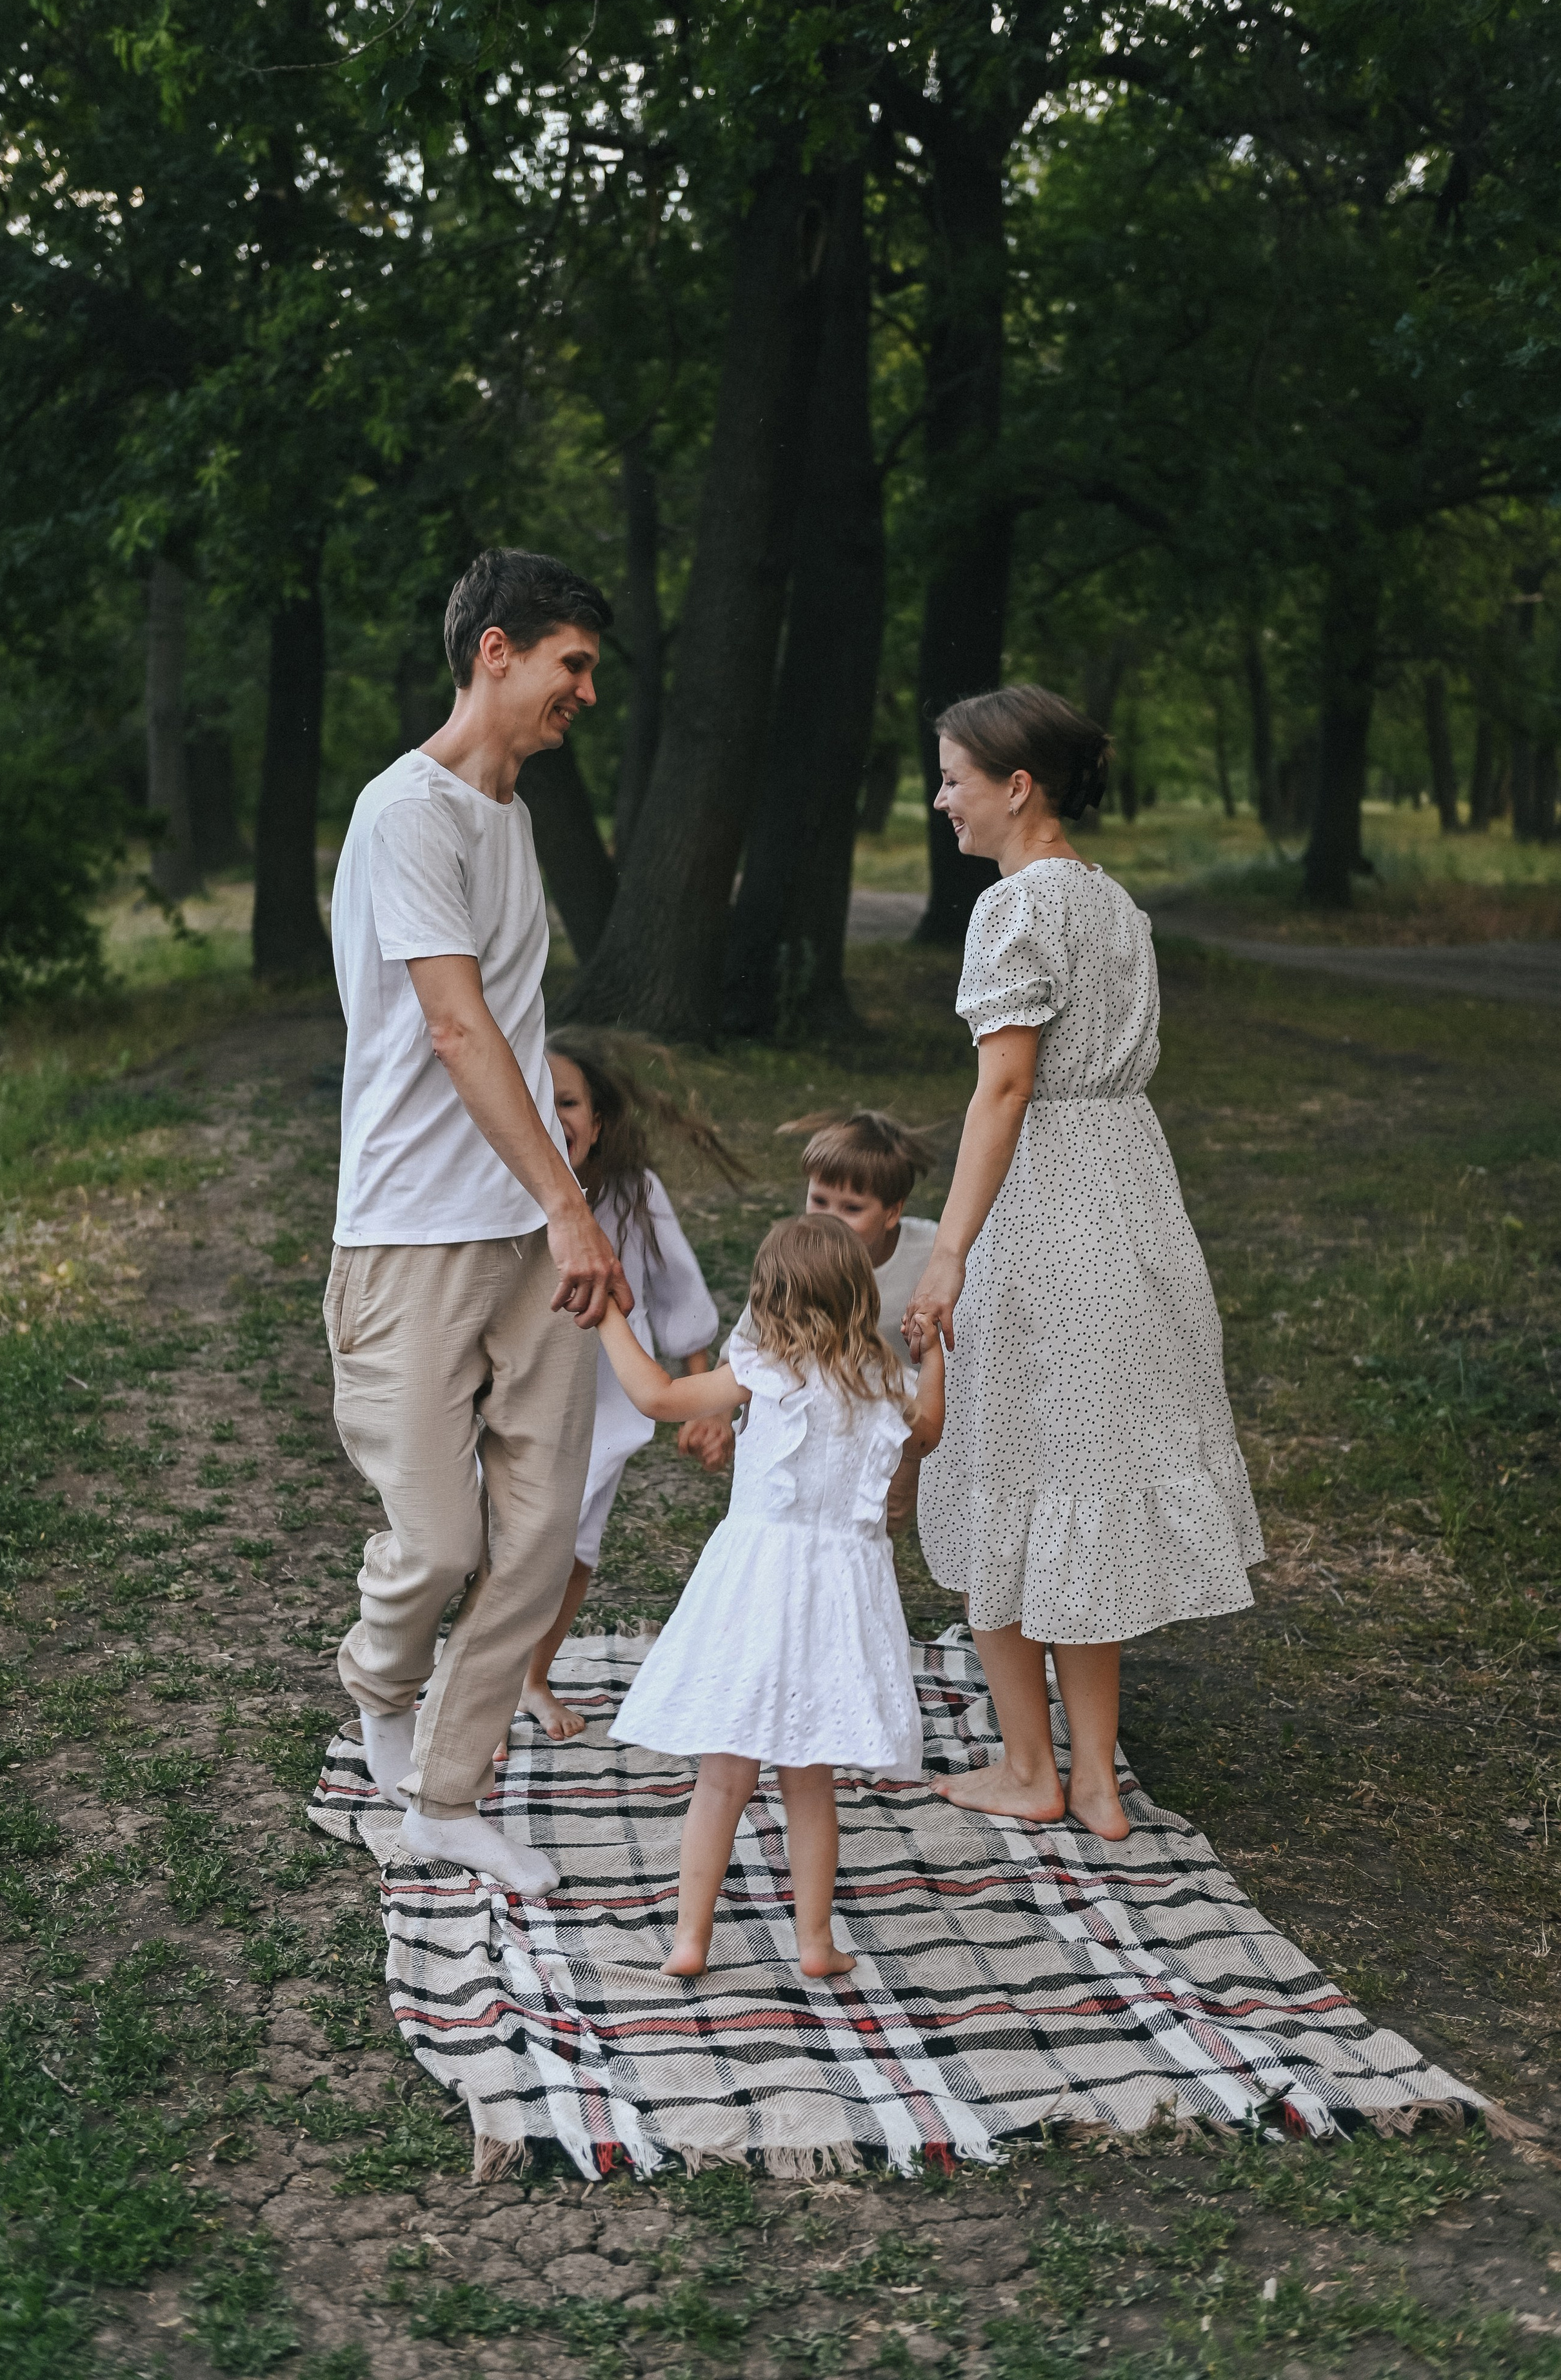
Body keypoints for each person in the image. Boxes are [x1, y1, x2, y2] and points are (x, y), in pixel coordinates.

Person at [902, 684, 1264, 1844]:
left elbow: (1005, 1085)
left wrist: (947, 1246)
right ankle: (1096, 1777)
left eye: (955, 776)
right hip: (1130, 1195)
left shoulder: (1014, 911)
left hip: (1048, 1200)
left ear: (1018, 786)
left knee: (1002, 1465)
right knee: (1080, 1475)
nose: (940, 796)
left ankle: (1028, 1764)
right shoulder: (1116, 904)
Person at [324, 547, 631, 1902]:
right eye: (572, 665)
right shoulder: (411, 813)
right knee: (438, 1542)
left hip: (527, 1226)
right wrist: (573, 1203)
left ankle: (446, 1797)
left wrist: (555, 1206)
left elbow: (509, 1020)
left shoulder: (509, 817)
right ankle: (377, 1694)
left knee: (538, 1532)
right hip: (411, 1226)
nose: (584, 694)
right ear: (494, 650)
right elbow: (454, 1026)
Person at [589, 1216, 946, 1978]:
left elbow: (658, 1395)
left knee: (723, 1778)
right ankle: (814, 1942)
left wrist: (609, 1316)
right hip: (838, 1601)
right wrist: (933, 1353)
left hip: (756, 1590)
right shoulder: (886, 1382)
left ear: (769, 1296)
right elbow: (931, 1431)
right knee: (810, 1782)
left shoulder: (761, 1368)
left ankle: (691, 1938)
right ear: (860, 1294)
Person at [499, 1028, 738, 1749]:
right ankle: (480, 1689)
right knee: (504, 1548)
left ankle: (532, 1676)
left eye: (567, 1100)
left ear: (597, 1121)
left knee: (575, 1551)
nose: (553, 1113)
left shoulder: (634, 1193)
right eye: (536, 1100)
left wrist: (706, 1394)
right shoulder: (499, 1189)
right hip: (511, 1393)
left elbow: (676, 1290)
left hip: (601, 1401)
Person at [677, 1110, 938, 1474]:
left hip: (900, 1410)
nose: (829, 1218)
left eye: (851, 1208)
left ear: (893, 1212)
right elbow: (750, 1338)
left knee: (891, 1492)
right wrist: (717, 1415)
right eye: (819, 1201)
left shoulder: (930, 1252)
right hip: (819, 1412)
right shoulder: (800, 1259)